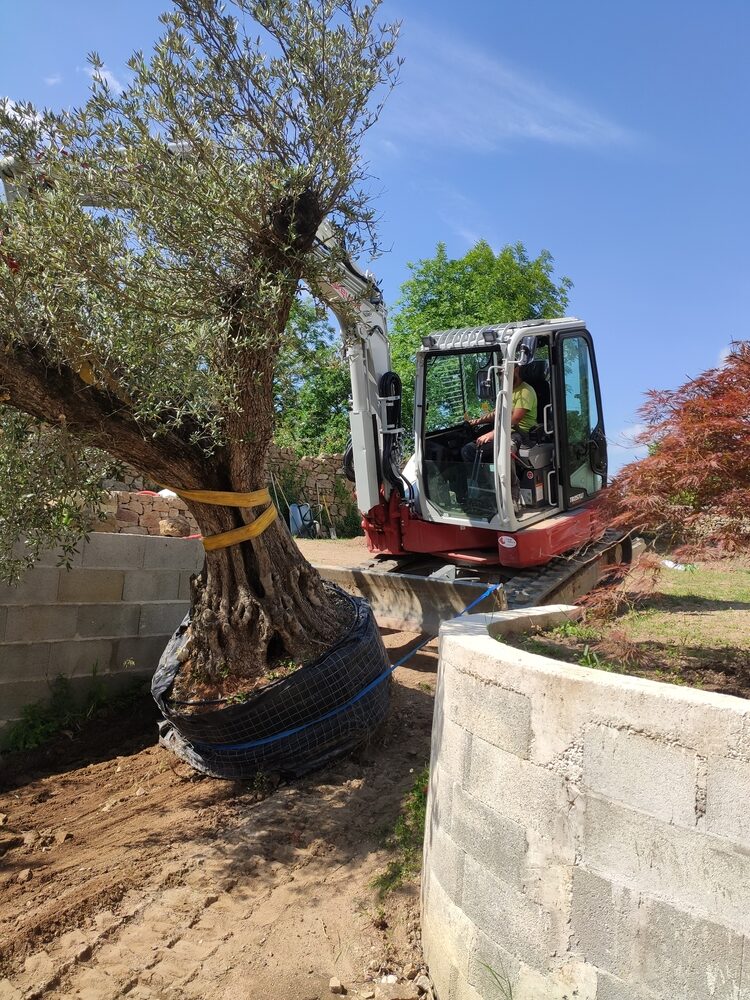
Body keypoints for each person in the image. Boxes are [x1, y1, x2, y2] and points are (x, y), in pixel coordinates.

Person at [461, 365, 537, 503]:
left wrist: (492, 434)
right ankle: (487, 490)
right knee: (469, 450)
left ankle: (511, 497)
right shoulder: (506, 393)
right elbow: (497, 414)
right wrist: (475, 422)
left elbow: (515, 419)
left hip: (519, 434)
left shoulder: (525, 391)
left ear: (517, 369)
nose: (502, 375)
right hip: (503, 431)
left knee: (505, 451)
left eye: (504, 371)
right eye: (499, 373)